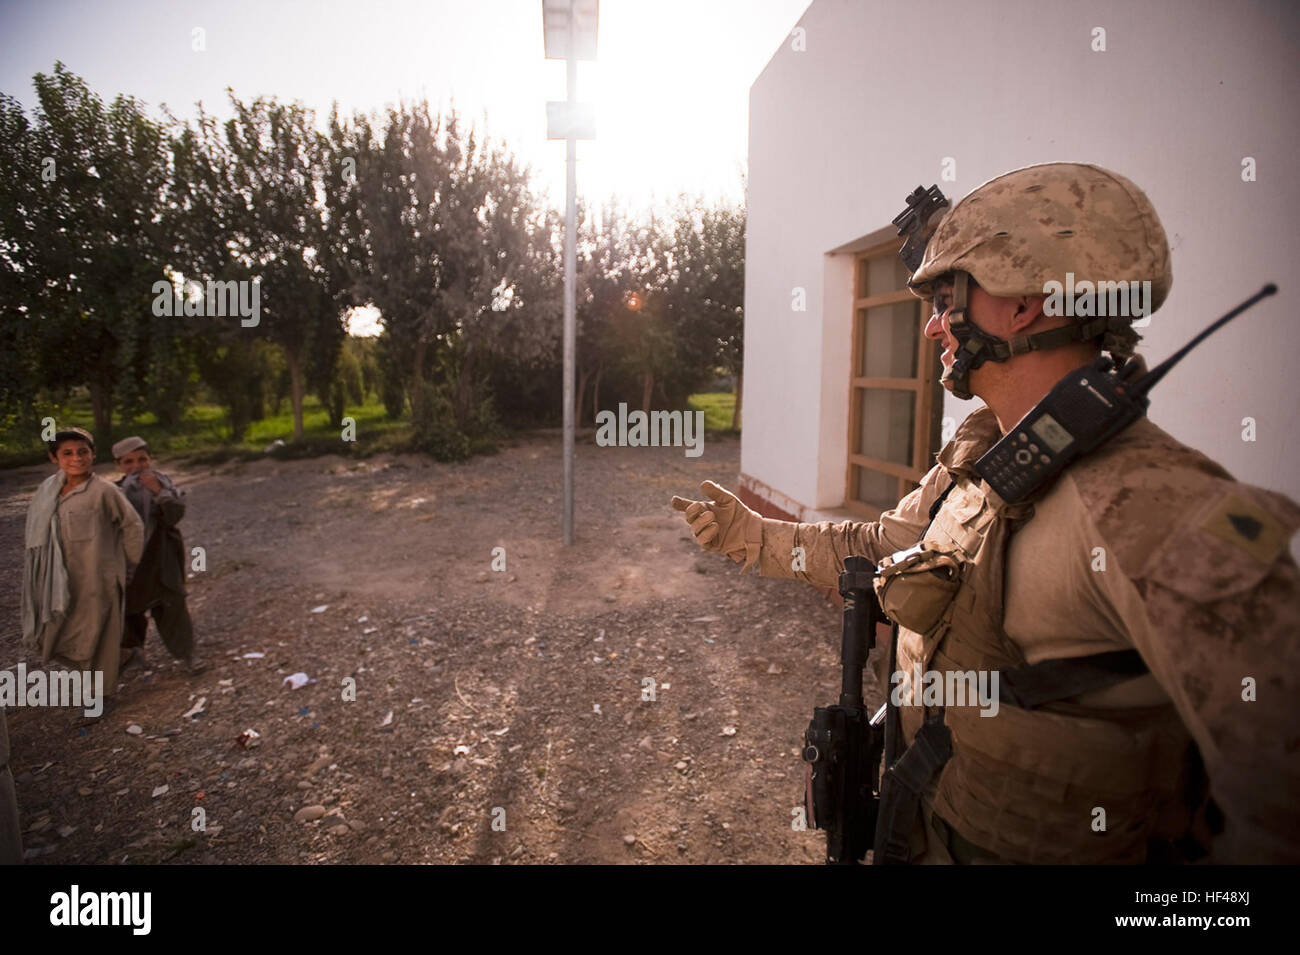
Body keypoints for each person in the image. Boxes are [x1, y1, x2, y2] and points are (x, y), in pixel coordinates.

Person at [672, 162, 1300, 865]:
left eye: (947, 298)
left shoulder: (1149, 504)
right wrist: (754, 537)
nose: (932, 327)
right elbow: (881, 543)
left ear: (1025, 302)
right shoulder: (985, 456)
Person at [21, 427, 143, 703]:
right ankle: (123, 657)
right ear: (54, 457)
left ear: (93, 455)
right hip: (57, 580)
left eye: (83, 452)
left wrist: (129, 566)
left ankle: (101, 697)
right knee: (53, 635)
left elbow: (132, 526)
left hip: (98, 578)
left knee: (100, 637)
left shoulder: (103, 491)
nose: (76, 458)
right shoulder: (47, 491)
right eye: (68, 453)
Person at [111, 436, 204, 675]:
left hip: (163, 556)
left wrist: (158, 491)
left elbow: (174, 515)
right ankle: (133, 655)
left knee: (172, 604)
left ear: (150, 460)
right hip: (132, 562)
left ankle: (187, 654)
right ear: (119, 465)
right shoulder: (115, 493)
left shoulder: (165, 485)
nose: (137, 466)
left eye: (142, 459)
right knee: (130, 608)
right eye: (128, 461)